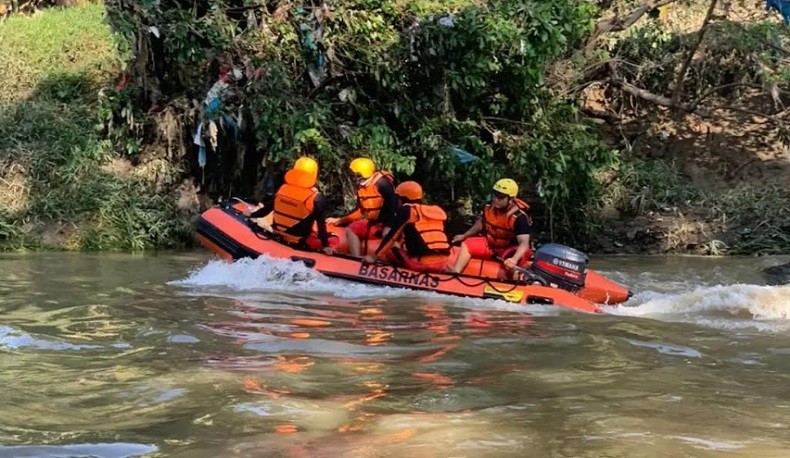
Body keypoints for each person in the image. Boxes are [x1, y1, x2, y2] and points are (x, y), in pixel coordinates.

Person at [246, 156, 335, 255]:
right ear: (314, 174)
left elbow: (264, 211)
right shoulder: (316, 198)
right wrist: (326, 246)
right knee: (334, 239)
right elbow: (321, 225)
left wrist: (250, 214)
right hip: (298, 242)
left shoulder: (282, 189)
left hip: (277, 236)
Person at [362, 181, 451, 273]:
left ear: (401, 198)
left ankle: (390, 272)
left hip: (421, 264)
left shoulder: (406, 210)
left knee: (390, 251)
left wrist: (373, 257)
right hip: (443, 262)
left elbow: (391, 237)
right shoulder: (433, 211)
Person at [448, 178, 531, 276]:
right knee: (467, 244)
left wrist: (514, 259)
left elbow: (524, 243)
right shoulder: (488, 207)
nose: (496, 199)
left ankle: (515, 283)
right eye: (495, 195)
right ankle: (456, 274)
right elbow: (482, 223)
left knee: (512, 265)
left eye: (500, 197)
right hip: (490, 244)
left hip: (508, 249)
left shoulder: (519, 217)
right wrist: (464, 235)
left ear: (511, 199)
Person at [327, 158, 398, 256]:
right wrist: (339, 220)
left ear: (364, 173)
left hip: (387, 224)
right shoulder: (362, 188)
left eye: (357, 175)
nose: (355, 178)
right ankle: (357, 258)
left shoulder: (382, 184)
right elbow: (361, 211)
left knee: (387, 236)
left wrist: (389, 227)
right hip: (374, 224)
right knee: (350, 229)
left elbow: (393, 205)